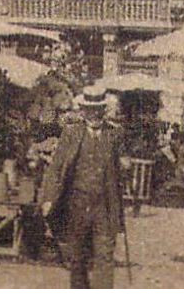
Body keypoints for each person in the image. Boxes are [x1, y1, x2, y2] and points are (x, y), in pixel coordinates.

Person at [41, 85, 126, 289]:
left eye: (99, 110)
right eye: (90, 109)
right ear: (83, 110)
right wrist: (49, 198)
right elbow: (56, 168)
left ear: (104, 110)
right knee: (77, 258)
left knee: (105, 257)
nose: (94, 114)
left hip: (104, 207)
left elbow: (119, 171)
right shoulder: (71, 134)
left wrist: (125, 166)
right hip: (76, 205)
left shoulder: (113, 135)